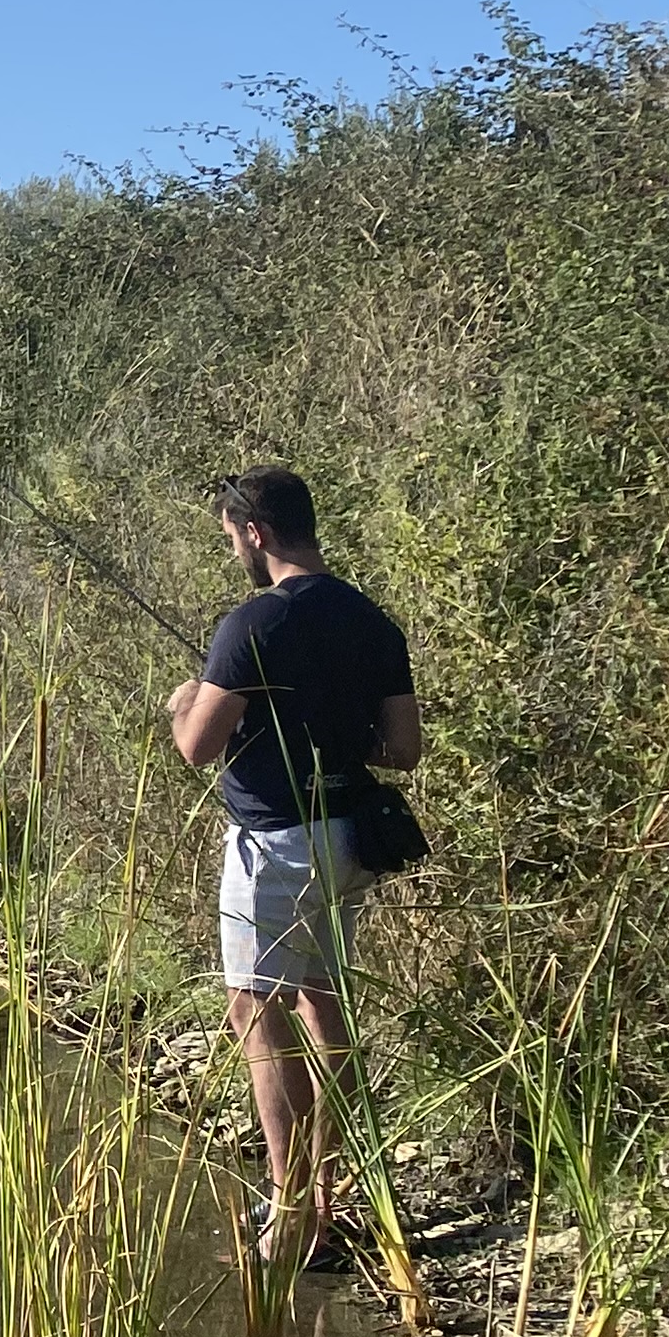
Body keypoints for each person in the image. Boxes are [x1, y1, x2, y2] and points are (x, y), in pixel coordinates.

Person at [162, 466, 420, 1272]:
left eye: (233, 535)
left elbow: (196, 747)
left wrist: (182, 700)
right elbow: (403, 750)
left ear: (256, 533)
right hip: (348, 840)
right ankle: (336, 1194)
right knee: (322, 1001)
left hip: (274, 848)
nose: (235, 547)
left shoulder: (251, 623)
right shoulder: (372, 620)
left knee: (254, 1015)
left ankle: (292, 1215)